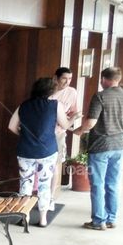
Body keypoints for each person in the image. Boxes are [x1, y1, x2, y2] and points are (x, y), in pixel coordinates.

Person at [8, 77, 68, 226]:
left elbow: (11, 126)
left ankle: (25, 216)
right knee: (44, 185)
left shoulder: (23, 105)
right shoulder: (55, 105)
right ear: (51, 91)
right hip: (47, 151)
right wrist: (73, 118)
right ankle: (43, 219)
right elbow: (65, 125)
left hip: (25, 150)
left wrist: (24, 136)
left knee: (25, 184)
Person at [79, 67, 123, 230]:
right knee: (113, 183)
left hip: (100, 146)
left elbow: (91, 122)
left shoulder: (100, 96)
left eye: (101, 79)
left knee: (97, 184)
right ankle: (111, 219)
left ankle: (99, 221)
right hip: (119, 146)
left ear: (104, 79)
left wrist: (79, 130)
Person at [49, 66, 80, 198]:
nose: (67, 82)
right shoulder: (47, 90)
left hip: (59, 132)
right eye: (64, 79)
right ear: (55, 78)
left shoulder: (72, 92)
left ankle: (51, 197)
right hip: (43, 132)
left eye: (70, 79)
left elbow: (74, 111)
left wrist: (68, 118)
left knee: (56, 164)